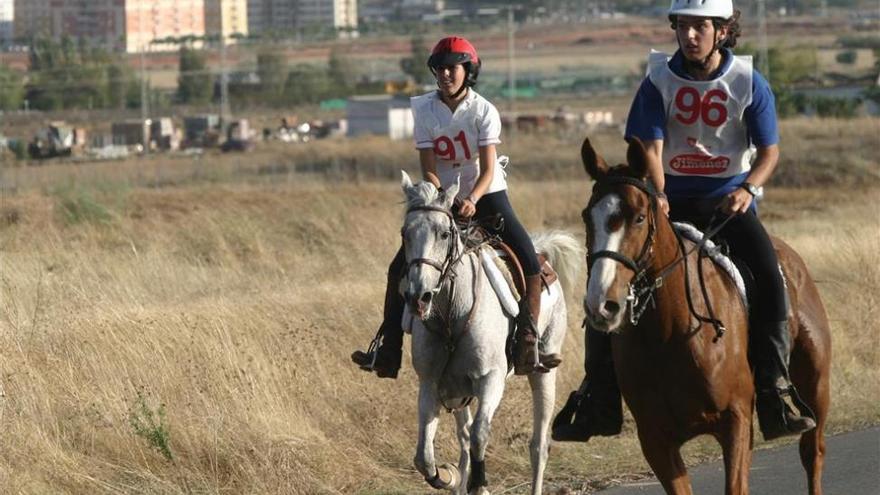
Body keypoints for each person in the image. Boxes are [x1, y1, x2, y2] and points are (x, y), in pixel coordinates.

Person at [553, 0, 815, 442]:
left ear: (723, 31)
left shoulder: (749, 82)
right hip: (668, 202)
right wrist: (658, 195)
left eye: (701, 27)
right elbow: (650, 149)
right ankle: (597, 397)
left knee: (770, 277)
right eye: (684, 26)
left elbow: (769, 153)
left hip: (728, 203)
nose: (691, 36)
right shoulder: (658, 81)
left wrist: (747, 189)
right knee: (607, 283)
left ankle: (774, 389)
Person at [351, 36, 561, 378]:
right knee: (397, 268)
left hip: (487, 194)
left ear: (468, 71)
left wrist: (473, 200)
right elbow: (428, 166)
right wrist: (439, 198)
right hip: (443, 197)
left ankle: (527, 340)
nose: (446, 74)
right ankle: (388, 348)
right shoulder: (424, 109)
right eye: (440, 69)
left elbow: (489, 167)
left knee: (526, 256)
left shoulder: (484, 110)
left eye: (453, 68)